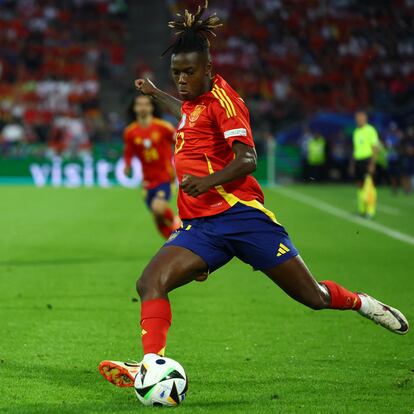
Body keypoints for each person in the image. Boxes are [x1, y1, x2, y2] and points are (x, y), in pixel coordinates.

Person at [98, 1, 409, 390]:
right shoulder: (195, 102)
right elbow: (186, 113)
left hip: (243, 219)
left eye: (188, 73)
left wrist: (207, 182)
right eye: (175, 73)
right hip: (202, 226)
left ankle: (363, 303)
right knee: (150, 283)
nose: (181, 80)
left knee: (312, 297)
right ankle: (150, 364)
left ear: (208, 70)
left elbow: (248, 159)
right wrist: (157, 92)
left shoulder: (227, 103)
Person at [124, 94, 179, 239]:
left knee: (158, 208)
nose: (143, 107)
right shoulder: (130, 132)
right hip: (147, 181)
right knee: (157, 216)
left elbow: (180, 142)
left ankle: (178, 222)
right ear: (134, 108)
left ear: (151, 107)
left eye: (146, 104)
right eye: (139, 104)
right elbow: (129, 151)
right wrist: (127, 165)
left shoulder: (163, 127)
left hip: (165, 177)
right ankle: (171, 242)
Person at [350, 111, 380, 218]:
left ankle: (370, 211)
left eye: (361, 118)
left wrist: (372, 164)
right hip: (358, 161)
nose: (359, 120)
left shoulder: (370, 130)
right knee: (359, 185)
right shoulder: (356, 131)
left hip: (367, 160)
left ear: (365, 119)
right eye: (357, 118)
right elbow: (355, 149)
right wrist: (352, 164)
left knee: (369, 186)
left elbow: (375, 148)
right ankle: (361, 209)